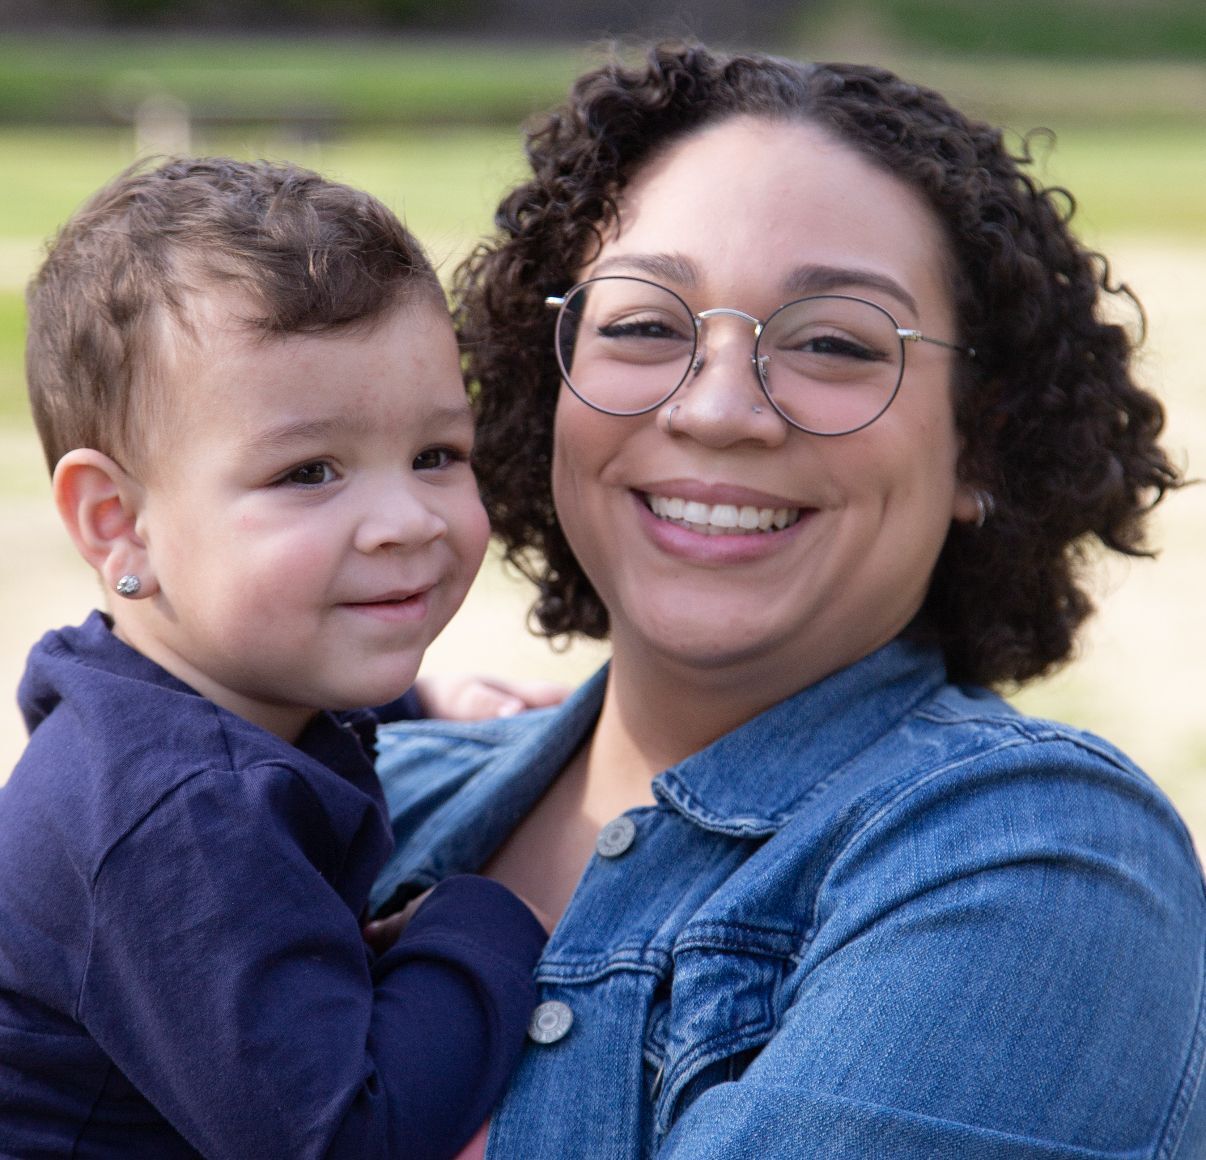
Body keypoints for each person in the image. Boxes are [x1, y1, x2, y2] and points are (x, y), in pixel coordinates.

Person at [370, 42, 1206, 1157]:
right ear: (547, 377)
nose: (719, 408)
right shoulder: (358, 790)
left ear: (979, 442)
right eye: (644, 325)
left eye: (832, 343)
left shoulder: (1036, 855)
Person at [0, 156, 548, 1160]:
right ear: (119, 523)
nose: (404, 519)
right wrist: (490, 917)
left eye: (436, 454)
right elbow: (349, 1134)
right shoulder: (176, 819)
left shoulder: (169, 697)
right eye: (309, 471)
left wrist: (425, 698)